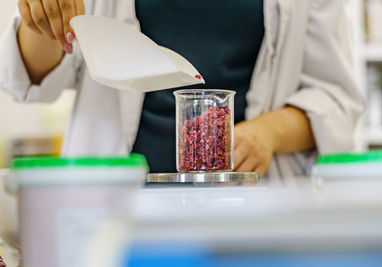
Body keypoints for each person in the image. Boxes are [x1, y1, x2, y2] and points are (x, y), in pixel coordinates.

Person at [0, 0, 363, 178]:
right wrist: (42, 17)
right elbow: (29, 81)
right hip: (117, 203)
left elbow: (336, 98)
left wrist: (269, 133)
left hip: (255, 202)